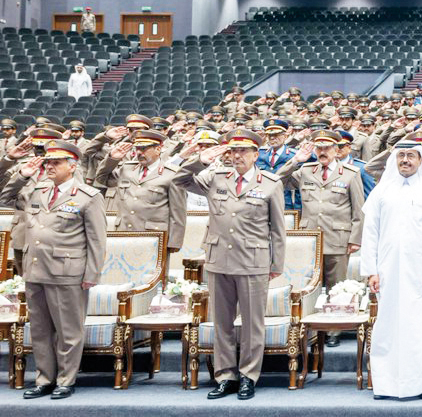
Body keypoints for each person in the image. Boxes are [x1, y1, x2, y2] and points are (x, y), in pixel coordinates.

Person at [177, 130, 286, 401]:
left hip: (253, 261)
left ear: (255, 154)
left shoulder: (270, 183)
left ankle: (249, 375)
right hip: (219, 259)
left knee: (252, 323)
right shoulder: (215, 178)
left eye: (243, 151)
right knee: (221, 322)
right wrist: (199, 160)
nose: (237, 156)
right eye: (233, 151)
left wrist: (276, 263)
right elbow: (178, 179)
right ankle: (226, 375)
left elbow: (278, 229)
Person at [0, 140, 105, 400]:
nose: (49, 166)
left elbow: (97, 240)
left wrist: (92, 275)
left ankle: (65, 380)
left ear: (72, 166)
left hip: (67, 272)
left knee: (69, 331)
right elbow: (4, 197)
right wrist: (21, 175)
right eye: (47, 162)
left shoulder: (88, 197)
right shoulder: (38, 190)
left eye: (56, 162)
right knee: (40, 330)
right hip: (35, 270)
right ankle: (44, 378)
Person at [360, 142, 422, 400]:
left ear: (421, 160)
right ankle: (386, 384)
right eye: (401, 155)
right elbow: (370, 233)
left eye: (411, 155)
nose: (405, 160)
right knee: (389, 325)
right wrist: (371, 271)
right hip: (388, 270)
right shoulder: (382, 191)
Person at [276, 130, 365, 343]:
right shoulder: (306, 171)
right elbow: (277, 181)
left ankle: (334, 329)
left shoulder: (350, 173)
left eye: (327, 148)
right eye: (319, 148)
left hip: (338, 237)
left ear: (336, 150)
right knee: (310, 286)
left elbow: (359, 209)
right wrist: (295, 160)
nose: (322, 152)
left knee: (337, 286)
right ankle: (312, 329)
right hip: (311, 239)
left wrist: (355, 238)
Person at [95, 129, 186, 254]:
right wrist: (112, 159)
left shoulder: (172, 174)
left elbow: (178, 212)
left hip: (154, 237)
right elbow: (102, 179)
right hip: (123, 233)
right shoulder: (127, 168)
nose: (139, 152)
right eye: (137, 148)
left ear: (158, 149)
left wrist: (174, 242)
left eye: (144, 149)